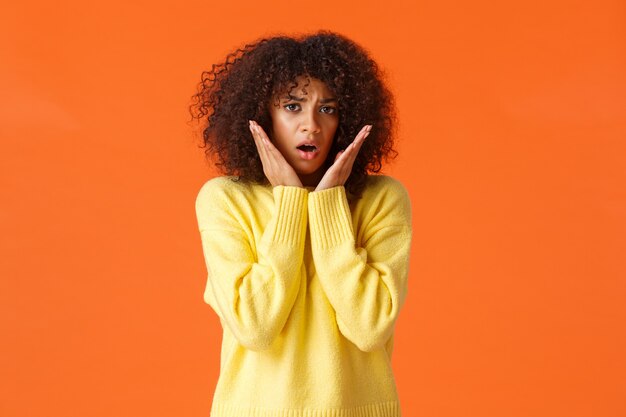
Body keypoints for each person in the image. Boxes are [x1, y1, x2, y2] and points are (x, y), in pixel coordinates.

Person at [190, 30, 413, 417]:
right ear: (263, 115)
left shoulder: (382, 199)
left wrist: (326, 203)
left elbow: (370, 327)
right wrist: (291, 201)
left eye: (327, 109)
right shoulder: (225, 199)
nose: (311, 125)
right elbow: (255, 327)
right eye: (293, 107)